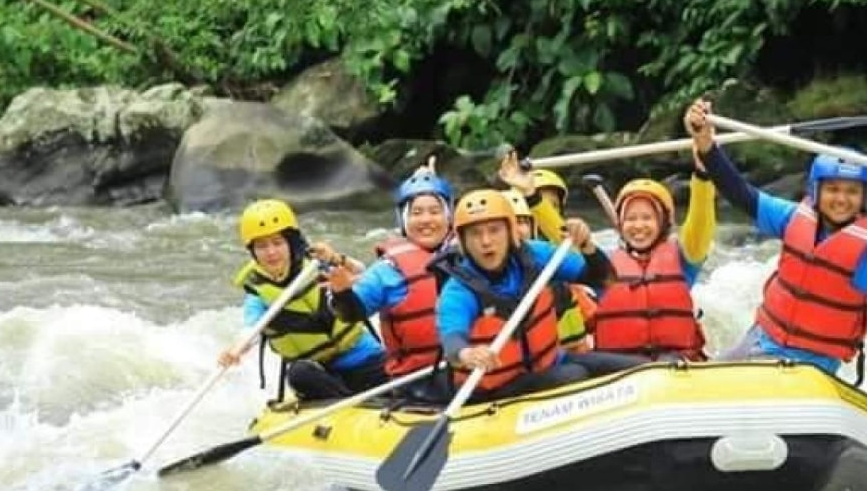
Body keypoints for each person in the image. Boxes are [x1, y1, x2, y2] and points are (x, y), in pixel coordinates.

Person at [684, 98, 867, 375]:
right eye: (833, 189)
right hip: (762, 340)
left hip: (812, 365)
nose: (841, 199)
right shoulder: (794, 217)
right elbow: (741, 193)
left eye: (852, 191)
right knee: (701, 379)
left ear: (864, 197)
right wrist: (707, 146)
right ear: (816, 190)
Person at [434, 189, 637, 401]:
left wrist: (587, 246)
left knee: (636, 370)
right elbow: (452, 339)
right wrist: (465, 354)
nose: (486, 241)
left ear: (511, 231)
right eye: (475, 233)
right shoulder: (459, 289)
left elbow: (601, 279)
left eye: (494, 230)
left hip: (549, 363)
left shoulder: (536, 255)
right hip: (492, 391)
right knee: (573, 376)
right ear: (463, 242)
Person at [218, 199, 387, 400]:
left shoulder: (317, 264)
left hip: (364, 359)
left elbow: (366, 275)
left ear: (291, 242)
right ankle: (350, 405)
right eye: (261, 246)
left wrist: (336, 259)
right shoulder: (258, 293)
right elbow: (250, 330)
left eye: (277, 242)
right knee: (298, 374)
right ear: (252, 251)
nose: (271, 252)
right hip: (321, 376)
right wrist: (235, 350)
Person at [328, 168, 455, 388]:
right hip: (420, 382)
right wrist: (342, 294)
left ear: (448, 216)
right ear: (403, 220)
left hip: (474, 370)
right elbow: (352, 311)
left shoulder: (473, 251)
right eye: (416, 213)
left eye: (435, 211)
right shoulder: (387, 270)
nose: (426, 220)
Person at [593, 175, 716, 361]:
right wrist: (536, 200)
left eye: (647, 218)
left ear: (663, 223)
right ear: (620, 224)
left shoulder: (685, 258)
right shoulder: (603, 265)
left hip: (676, 364)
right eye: (631, 219)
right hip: (619, 369)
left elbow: (700, 221)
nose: (638, 225)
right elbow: (562, 245)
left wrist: (702, 177)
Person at [503, 188, 598, 353]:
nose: (517, 230)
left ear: (533, 227)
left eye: (522, 222)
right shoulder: (471, 281)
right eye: (509, 223)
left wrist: (585, 243)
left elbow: (599, 275)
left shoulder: (559, 281)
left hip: (559, 363)